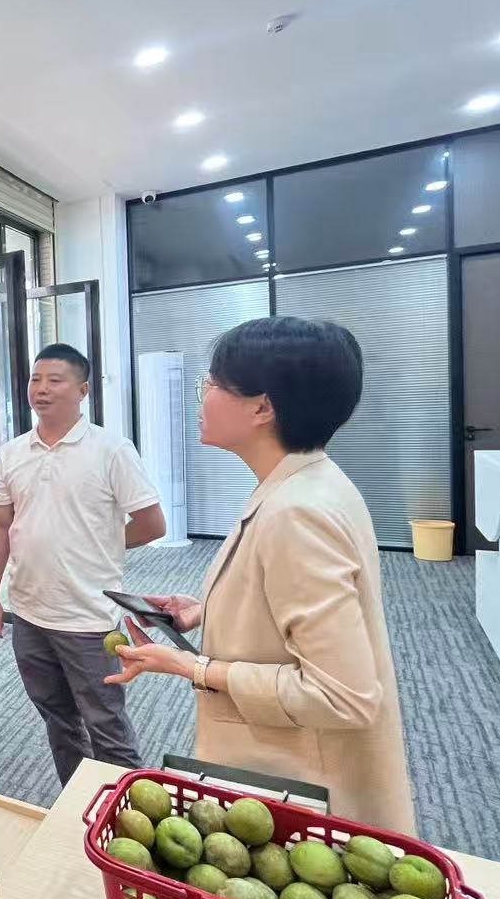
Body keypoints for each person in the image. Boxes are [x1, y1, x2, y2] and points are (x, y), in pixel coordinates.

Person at [107, 316, 417, 834]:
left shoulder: (298, 512)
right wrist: (206, 610)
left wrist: (193, 668)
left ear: (262, 407)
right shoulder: (306, 481)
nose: (202, 397)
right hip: (293, 767)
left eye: (212, 384)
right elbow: (289, 603)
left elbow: (345, 695)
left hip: (303, 786)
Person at [0, 343, 167, 784]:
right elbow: (1, 525)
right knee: (58, 719)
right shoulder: (13, 453)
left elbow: (152, 524)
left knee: (106, 724)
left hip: (87, 618)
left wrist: (100, 542)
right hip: (29, 613)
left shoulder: (110, 450)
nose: (41, 389)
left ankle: (125, 811)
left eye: (55, 380)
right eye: (35, 379)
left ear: (82, 390)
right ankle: (77, 801)